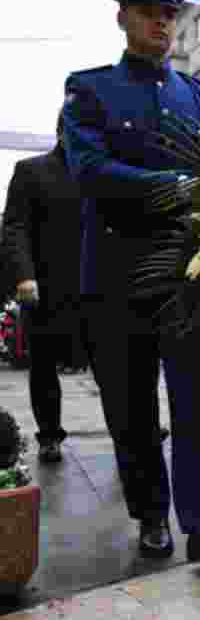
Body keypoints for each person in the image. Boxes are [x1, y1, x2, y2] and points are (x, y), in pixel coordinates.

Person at [62, 0, 200, 562]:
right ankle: (151, 514)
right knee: (131, 409)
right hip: (116, 272)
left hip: (187, 275)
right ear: (122, 17)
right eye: (148, 11)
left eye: (169, 13)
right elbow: (89, 169)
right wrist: (175, 187)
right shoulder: (90, 89)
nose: (161, 22)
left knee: (198, 405)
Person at [1, 112, 83, 463]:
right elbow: (14, 228)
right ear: (62, 132)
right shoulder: (31, 170)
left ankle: (135, 430)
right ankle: (49, 434)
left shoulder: (103, 172)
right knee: (44, 366)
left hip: (97, 286)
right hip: (44, 287)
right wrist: (23, 275)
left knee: (121, 365)